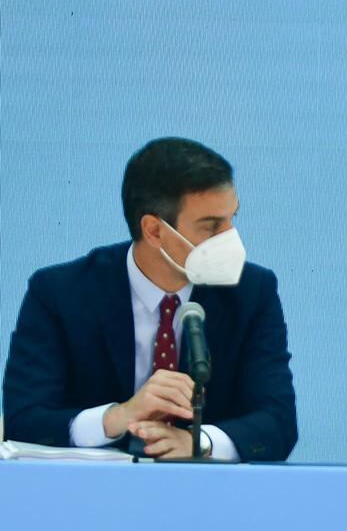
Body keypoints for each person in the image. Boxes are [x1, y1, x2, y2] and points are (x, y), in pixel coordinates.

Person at [2, 137, 297, 461]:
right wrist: (117, 417)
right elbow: (24, 420)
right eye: (211, 227)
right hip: (90, 497)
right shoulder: (59, 293)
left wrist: (199, 442)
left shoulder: (252, 292)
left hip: (210, 497)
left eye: (231, 219)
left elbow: (278, 422)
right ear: (154, 231)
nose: (230, 239)